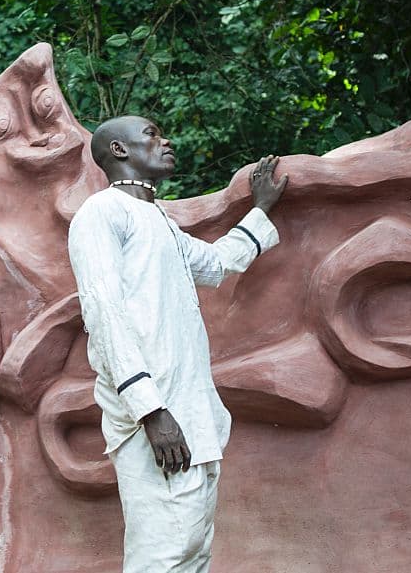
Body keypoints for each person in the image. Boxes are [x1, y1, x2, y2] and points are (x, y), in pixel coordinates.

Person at [67, 115, 287, 573]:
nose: (166, 140)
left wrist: (262, 208)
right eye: (151, 134)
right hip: (156, 419)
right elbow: (105, 315)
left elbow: (219, 263)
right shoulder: (101, 214)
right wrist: (151, 410)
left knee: (191, 550)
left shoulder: (158, 222)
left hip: (191, 415)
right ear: (119, 151)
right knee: (162, 556)